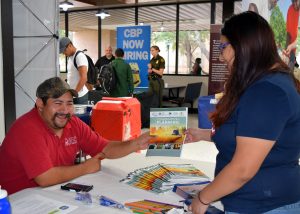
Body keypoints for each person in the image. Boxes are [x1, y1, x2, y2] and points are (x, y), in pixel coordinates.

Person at [185, 11, 300, 214]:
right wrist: (205, 134)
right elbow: (253, 133)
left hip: (265, 205)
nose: (221, 56)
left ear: (243, 45)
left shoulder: (268, 91)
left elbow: (242, 169)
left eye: (223, 47)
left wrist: (203, 199)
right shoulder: (269, 83)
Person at [0, 77, 151, 195]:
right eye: (58, 103)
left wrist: (135, 144)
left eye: (69, 103)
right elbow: (45, 178)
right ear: (40, 104)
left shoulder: (73, 123)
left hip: (54, 193)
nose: (65, 110)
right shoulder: (27, 129)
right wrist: (85, 167)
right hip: (19, 201)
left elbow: (105, 148)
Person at [59, 37, 89, 104]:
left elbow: (84, 78)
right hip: (74, 95)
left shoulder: (79, 56)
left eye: (64, 50)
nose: (63, 53)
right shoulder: (71, 57)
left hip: (79, 96)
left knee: (78, 115)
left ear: (70, 45)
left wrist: (74, 93)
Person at [284, 0, 300, 70]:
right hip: (292, 48)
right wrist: (287, 47)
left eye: (296, 1)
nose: (294, 4)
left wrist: (293, 45)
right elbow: (288, 32)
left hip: (296, 47)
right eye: (293, 1)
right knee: (288, 69)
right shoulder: (290, 9)